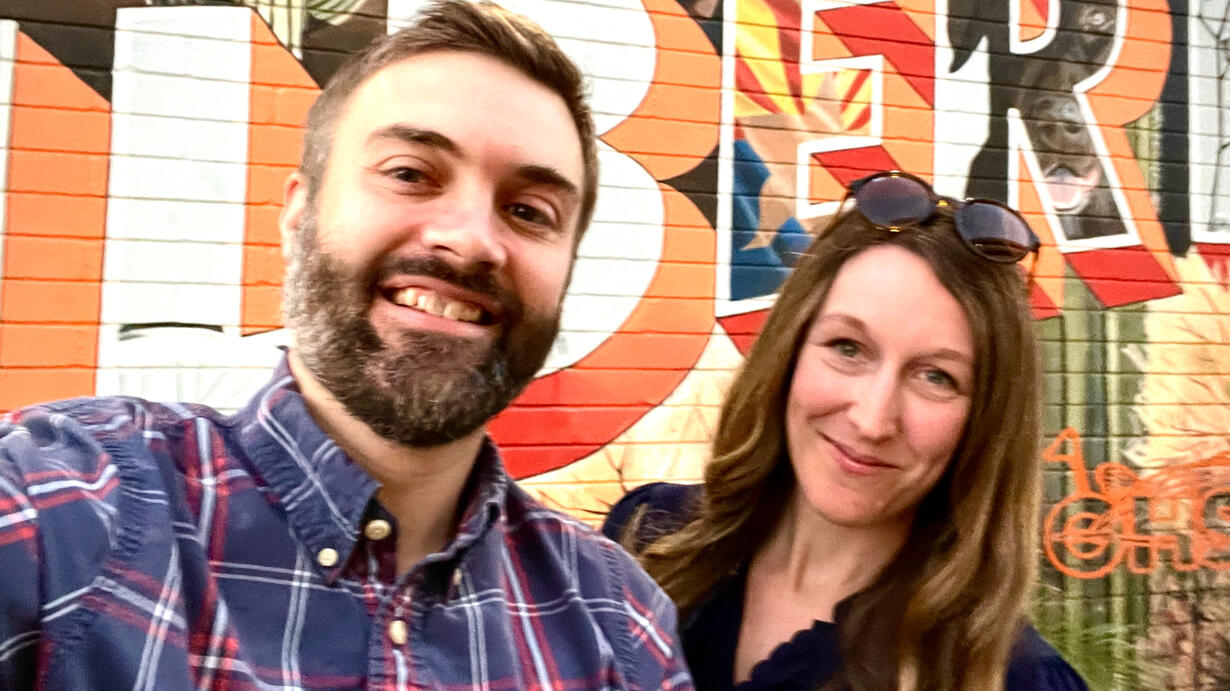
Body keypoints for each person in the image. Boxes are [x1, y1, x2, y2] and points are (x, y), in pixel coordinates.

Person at [0, 2, 692, 689]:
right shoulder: (65, 508)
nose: (470, 239)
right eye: (410, 173)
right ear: (299, 215)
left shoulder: (622, 625)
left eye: (528, 211)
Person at [604, 171, 1087, 691]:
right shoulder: (649, 540)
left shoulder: (1007, 677)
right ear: (790, 349)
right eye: (848, 348)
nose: (872, 420)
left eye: (936, 377)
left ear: (986, 421)